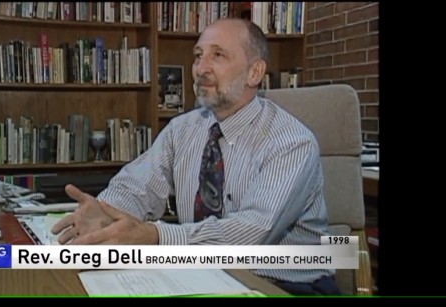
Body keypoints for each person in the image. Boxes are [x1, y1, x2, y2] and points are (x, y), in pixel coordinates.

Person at [51, 18, 340, 295]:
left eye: (218, 56)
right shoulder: (182, 129)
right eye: (198, 55)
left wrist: (156, 237)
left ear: (254, 73)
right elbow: (138, 187)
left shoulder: (291, 141)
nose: (201, 68)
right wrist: (107, 214)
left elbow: (252, 233)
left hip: (285, 284)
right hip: (199, 275)